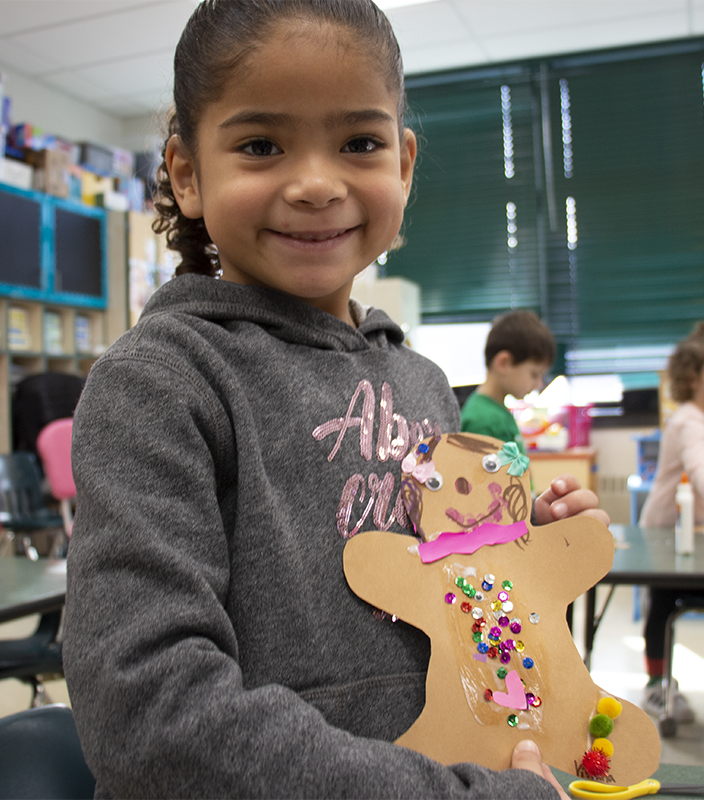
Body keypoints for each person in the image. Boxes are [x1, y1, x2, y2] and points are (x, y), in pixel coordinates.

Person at [62, 2, 607, 798]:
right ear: (187, 174)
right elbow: (150, 720)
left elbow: (462, 617)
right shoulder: (158, 383)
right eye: (260, 145)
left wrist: (525, 554)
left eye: (359, 143)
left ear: (405, 164)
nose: (316, 184)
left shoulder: (421, 382)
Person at [639, 322, 704, 723]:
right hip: (664, 534)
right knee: (663, 604)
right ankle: (656, 687)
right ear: (695, 376)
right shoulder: (687, 421)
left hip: (691, 534)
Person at [460, 311, 556, 453]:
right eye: (534, 374)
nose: (539, 384)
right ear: (503, 363)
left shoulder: (497, 412)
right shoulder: (483, 422)